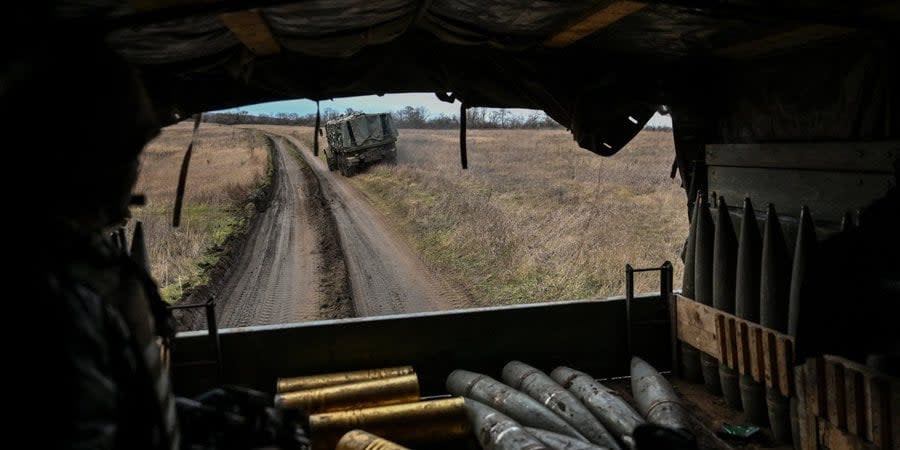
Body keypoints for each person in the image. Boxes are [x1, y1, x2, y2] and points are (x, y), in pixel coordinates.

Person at [10, 27, 179, 449]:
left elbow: (122, 409)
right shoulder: (48, 293)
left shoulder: (74, 256)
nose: (134, 173)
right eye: (127, 155)